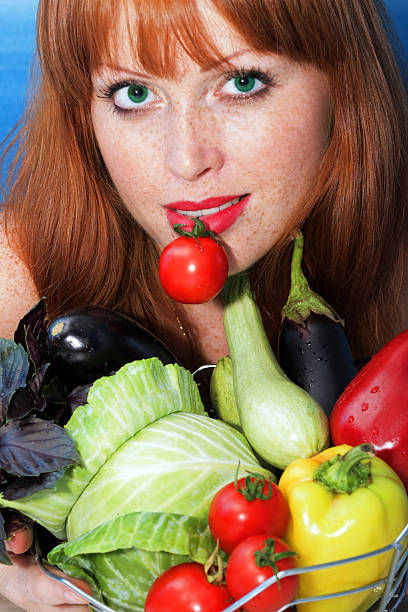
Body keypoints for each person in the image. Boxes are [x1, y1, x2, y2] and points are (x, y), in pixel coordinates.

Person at [0, 0, 406, 608]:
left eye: (242, 83)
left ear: (344, 83)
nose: (186, 160)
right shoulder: (16, 273)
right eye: (133, 94)